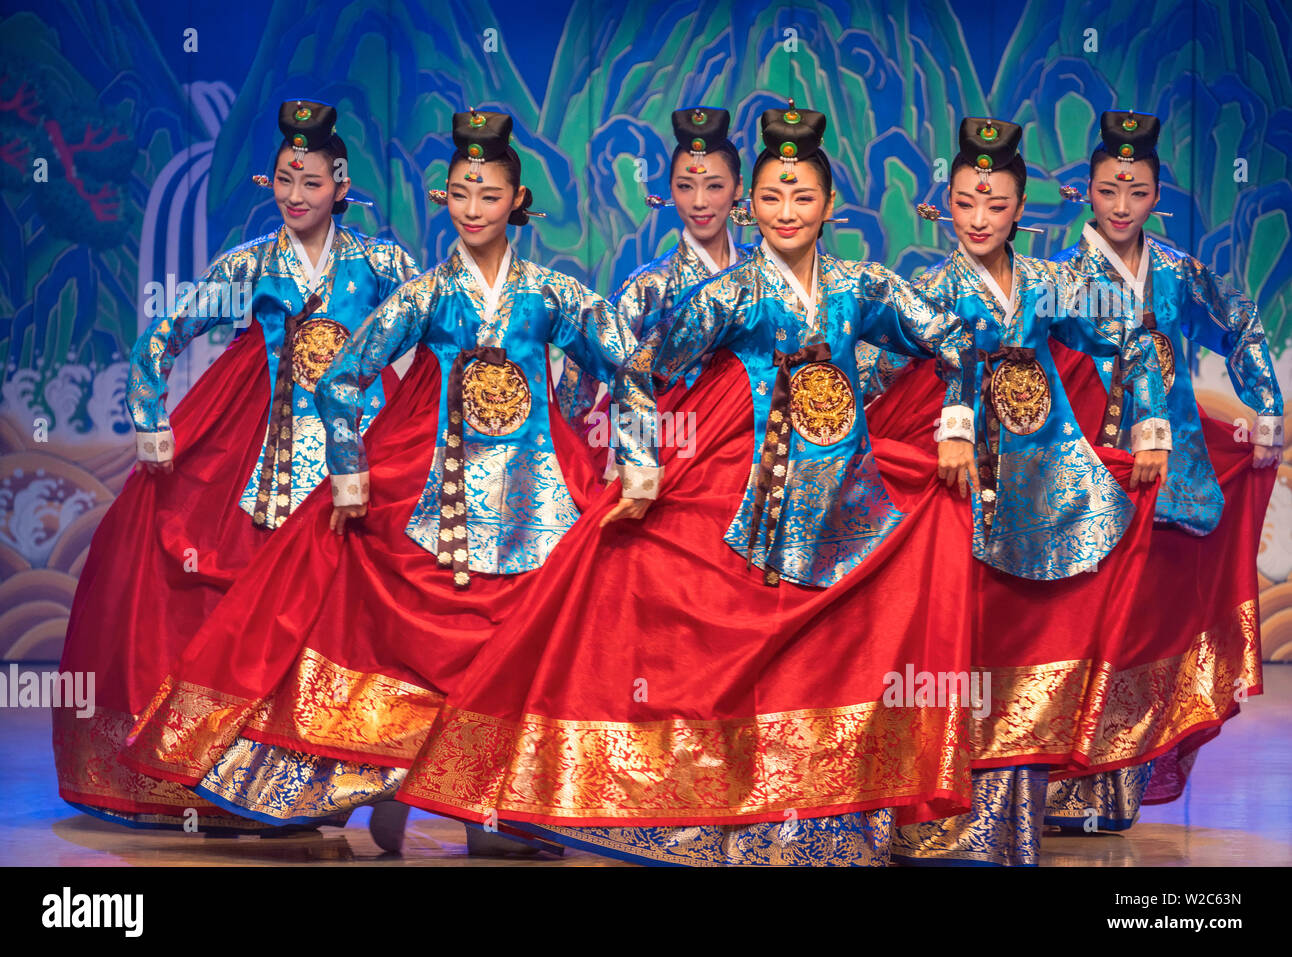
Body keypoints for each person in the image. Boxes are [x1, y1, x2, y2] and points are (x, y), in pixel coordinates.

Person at [391, 100, 982, 866]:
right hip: (746, 502)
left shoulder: (864, 287)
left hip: (845, 498)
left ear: (830, 205)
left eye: (802, 198)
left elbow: (956, 338)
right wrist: (639, 461)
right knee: (724, 648)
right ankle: (718, 810)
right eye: (771, 198)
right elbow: (639, 369)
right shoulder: (729, 294)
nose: (786, 213)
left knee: (845, 642)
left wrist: (956, 427)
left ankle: (838, 816)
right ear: (752, 204)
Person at [119, 109, 660, 855]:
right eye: (461, 195)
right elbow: (345, 380)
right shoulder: (426, 293)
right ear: (445, 200)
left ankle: (494, 808)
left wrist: (638, 457)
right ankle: (395, 783)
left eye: (488, 196)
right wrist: (349, 471)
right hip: (437, 504)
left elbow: (627, 366)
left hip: (537, 507)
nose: (472, 210)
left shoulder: (551, 294)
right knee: (412, 649)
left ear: (517, 202)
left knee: (517, 654)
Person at [53, 99, 417, 830]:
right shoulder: (251, 264)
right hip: (274, 471)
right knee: (264, 622)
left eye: (311, 181)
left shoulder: (381, 264)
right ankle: (261, 777)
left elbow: (433, 338)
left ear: (340, 187)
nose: (295, 195)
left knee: (367, 621)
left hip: (357, 464)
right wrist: (151, 417)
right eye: (285, 179)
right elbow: (164, 333)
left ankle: (378, 771)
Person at [890, 116, 1168, 864]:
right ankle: (947, 821)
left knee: (1035, 649)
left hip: (1051, 495)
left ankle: (1017, 820)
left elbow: (1134, 332)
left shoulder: (1050, 284)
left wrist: (1150, 422)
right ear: (944, 202)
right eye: (965, 203)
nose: (979, 219)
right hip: (963, 495)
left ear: (1020, 211)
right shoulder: (932, 289)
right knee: (966, 649)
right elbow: (878, 372)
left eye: (996, 205)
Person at [1045, 110, 1283, 832]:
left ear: (1155, 197)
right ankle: (1066, 783)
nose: (1121, 206)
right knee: (1083, 636)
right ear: (1086, 190)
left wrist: (1265, 407)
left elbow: (1241, 322)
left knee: (1146, 640)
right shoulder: (1058, 281)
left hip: (1173, 488)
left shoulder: (1179, 274)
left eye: (1137, 191)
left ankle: (1115, 792)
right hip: (1089, 486)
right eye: (1110, 190)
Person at [558, 104, 753, 456]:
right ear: (670, 189)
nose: (699, 202)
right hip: (679, 450)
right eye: (685, 186)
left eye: (714, 186)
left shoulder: (759, 274)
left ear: (738, 187)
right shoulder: (649, 286)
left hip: (752, 451)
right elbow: (582, 364)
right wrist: (574, 456)